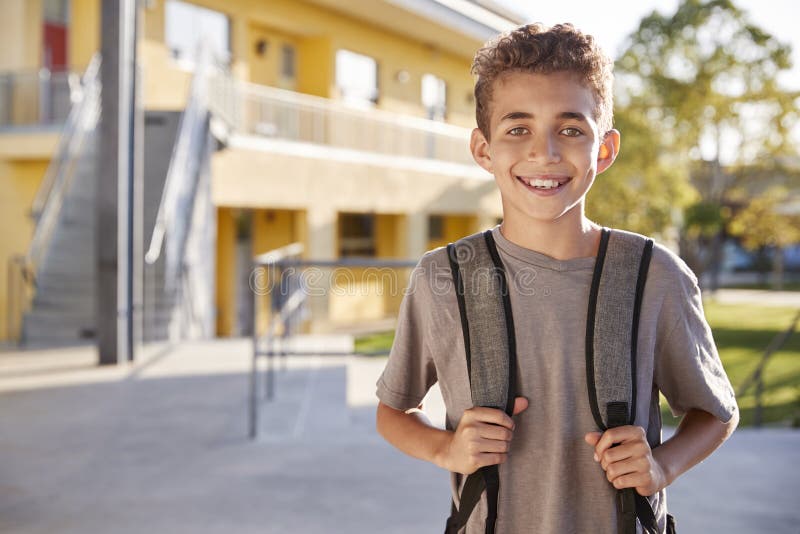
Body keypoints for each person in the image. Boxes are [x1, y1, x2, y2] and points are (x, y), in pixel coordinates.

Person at [375, 23, 739, 533]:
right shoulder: (443, 278)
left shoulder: (655, 276)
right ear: (483, 149)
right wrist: (446, 448)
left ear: (605, 149)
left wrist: (662, 465)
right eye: (517, 128)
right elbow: (393, 411)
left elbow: (715, 412)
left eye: (570, 129)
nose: (544, 152)